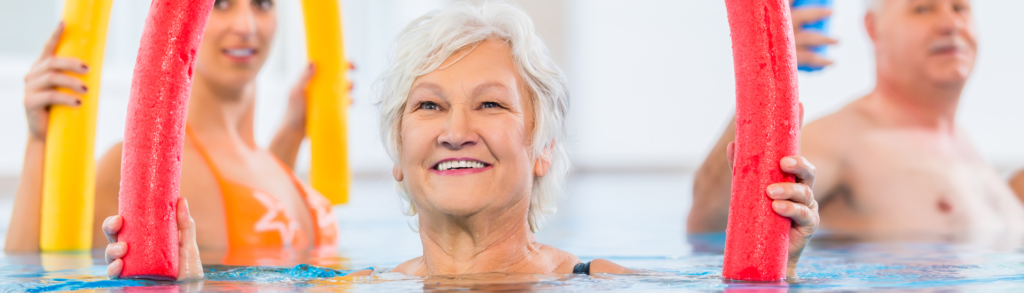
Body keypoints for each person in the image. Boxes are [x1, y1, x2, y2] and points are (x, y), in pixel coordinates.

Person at [103, 1, 820, 280]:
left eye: (488, 104)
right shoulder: (360, 289)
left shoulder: (600, 282)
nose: (454, 129)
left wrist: (774, 273)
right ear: (398, 160)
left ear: (542, 147)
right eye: (429, 105)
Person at [6, 0, 338, 253]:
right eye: (220, 3)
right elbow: (35, 270)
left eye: (262, 3)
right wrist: (41, 140)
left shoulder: (271, 160)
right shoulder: (141, 167)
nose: (245, 25)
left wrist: (294, 131)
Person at [690, 0, 1024, 238]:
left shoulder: (970, 153)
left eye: (960, 8)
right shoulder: (842, 141)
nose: (951, 23)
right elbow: (711, 222)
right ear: (873, 28)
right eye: (922, 8)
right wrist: (766, 69)